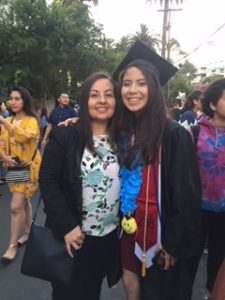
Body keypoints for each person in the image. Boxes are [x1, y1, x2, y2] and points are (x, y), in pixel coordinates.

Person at [113, 40, 202, 300]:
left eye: (141, 83)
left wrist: (173, 243)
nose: (132, 90)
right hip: (129, 227)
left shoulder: (174, 134)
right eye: (127, 83)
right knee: (130, 284)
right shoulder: (122, 132)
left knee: (157, 292)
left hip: (162, 235)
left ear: (154, 88)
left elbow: (187, 195)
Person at [39, 72, 121, 300]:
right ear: (84, 101)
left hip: (107, 237)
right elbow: (47, 180)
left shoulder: (124, 139)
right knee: (67, 293)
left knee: (92, 291)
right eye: (94, 95)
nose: (102, 100)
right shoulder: (67, 134)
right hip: (72, 236)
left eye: (108, 95)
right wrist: (66, 226)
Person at [0, 87, 41, 263]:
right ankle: (28, 231)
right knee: (24, 200)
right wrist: (4, 157)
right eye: (11, 99)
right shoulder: (8, 119)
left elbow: (24, 137)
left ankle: (12, 246)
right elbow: (1, 143)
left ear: (25, 100)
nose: (13, 102)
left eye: (17, 98)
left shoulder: (32, 121)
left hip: (29, 167)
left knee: (15, 206)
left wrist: (3, 121)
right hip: (14, 168)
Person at [192, 79, 225, 300]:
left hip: (224, 214)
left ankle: (212, 294)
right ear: (212, 104)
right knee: (188, 260)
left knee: (218, 262)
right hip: (196, 211)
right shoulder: (194, 133)